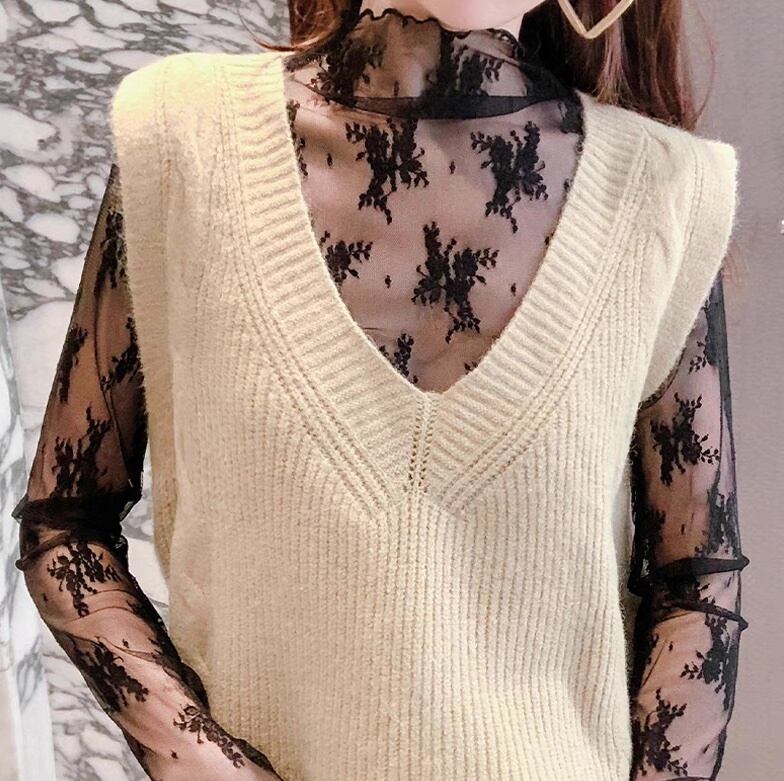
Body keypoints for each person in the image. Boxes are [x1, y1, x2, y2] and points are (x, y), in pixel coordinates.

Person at [14, 1, 750, 779]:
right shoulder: (183, 139)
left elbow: (696, 584)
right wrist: (205, 760)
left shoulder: (666, 194)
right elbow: (67, 527)